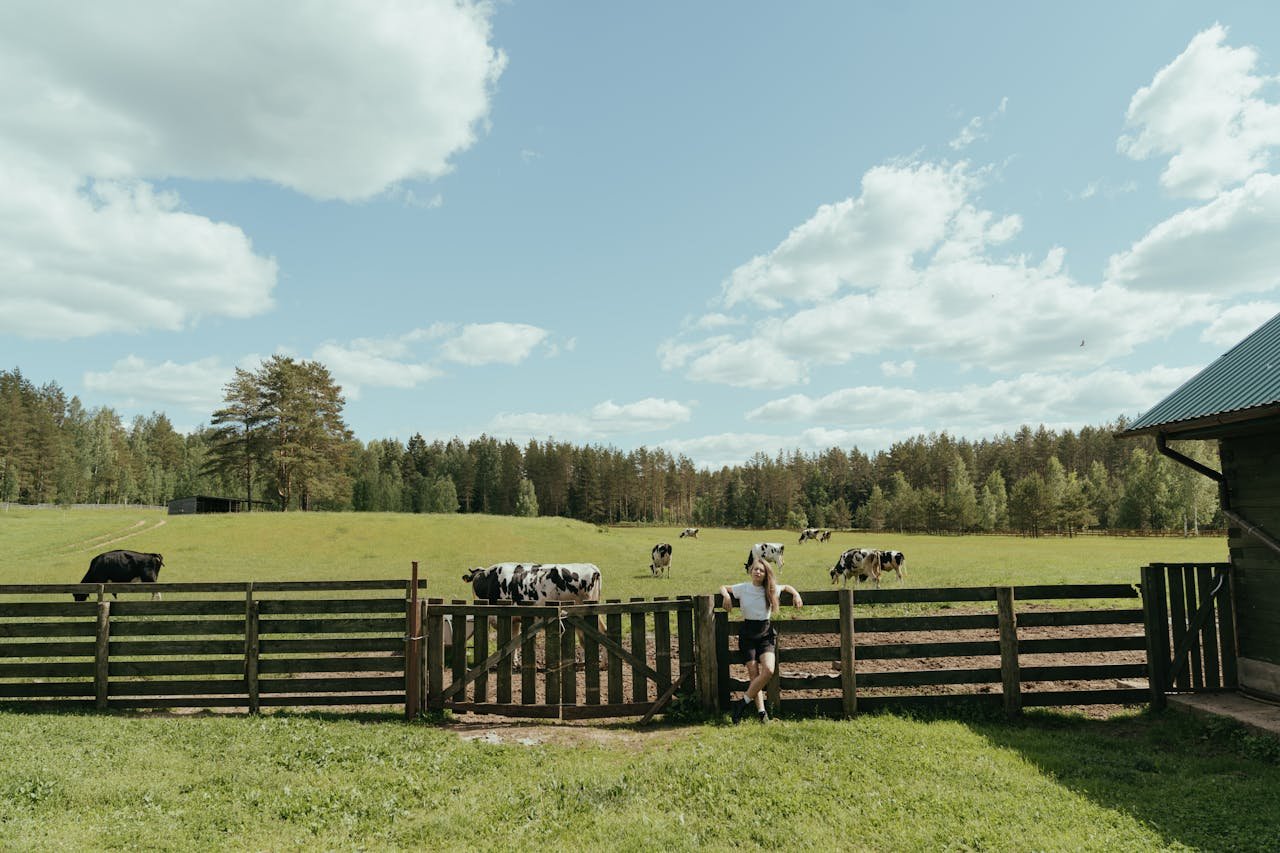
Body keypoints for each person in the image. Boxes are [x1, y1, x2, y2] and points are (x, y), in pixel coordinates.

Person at [719, 558, 803, 723]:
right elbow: (723, 587)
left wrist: (796, 594)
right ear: (751, 571)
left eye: (761, 570)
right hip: (748, 634)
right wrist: (726, 597)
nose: (758, 572)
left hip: (765, 633)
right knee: (753, 673)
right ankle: (762, 713)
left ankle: (742, 703)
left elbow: (786, 587)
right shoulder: (743, 588)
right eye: (755, 569)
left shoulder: (771, 589)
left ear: (766, 574)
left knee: (769, 671)